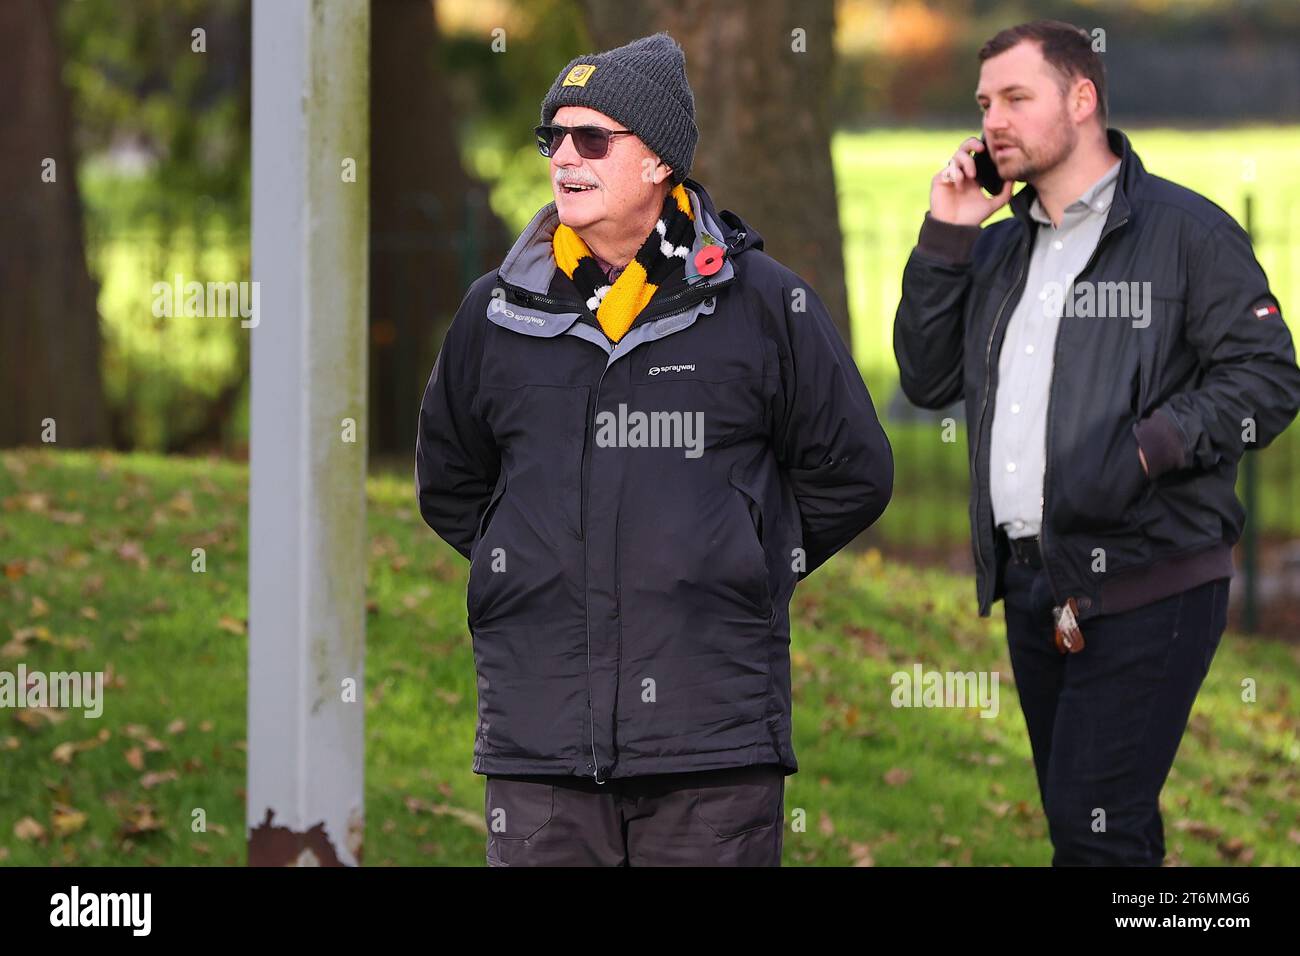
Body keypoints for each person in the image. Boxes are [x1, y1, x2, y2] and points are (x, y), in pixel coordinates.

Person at [417, 32, 893, 866]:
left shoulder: (763, 303)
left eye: (592, 138)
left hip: (710, 745)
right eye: (552, 138)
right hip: (540, 745)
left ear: (660, 160)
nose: (564, 156)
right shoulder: (493, 312)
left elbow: (852, 470)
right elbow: (451, 481)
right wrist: (525, 556)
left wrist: (739, 553)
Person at [893, 19, 1300, 866]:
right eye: (982, 103)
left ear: (1082, 99)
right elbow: (927, 381)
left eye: (1015, 97)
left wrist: (1152, 446)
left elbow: (1267, 378)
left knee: (1093, 826)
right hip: (1037, 582)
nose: (991, 120)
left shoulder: (1186, 233)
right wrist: (948, 236)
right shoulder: (998, 250)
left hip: (1152, 574)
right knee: (1097, 830)